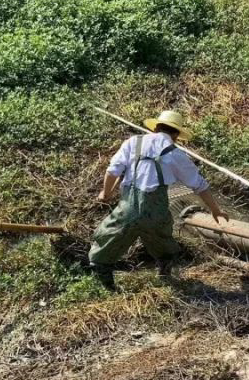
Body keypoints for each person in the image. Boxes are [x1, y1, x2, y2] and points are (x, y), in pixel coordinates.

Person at [88, 110, 228, 289]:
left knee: (108, 238)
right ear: (176, 135)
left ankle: (105, 283)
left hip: (128, 208)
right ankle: (165, 275)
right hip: (156, 210)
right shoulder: (176, 154)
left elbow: (112, 171)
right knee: (163, 242)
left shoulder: (133, 142)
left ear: (155, 128)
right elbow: (200, 185)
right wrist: (215, 210)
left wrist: (105, 193)